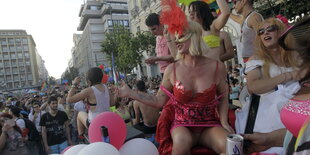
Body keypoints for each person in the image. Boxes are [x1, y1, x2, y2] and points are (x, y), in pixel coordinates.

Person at [117, 21, 234, 155]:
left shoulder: (217, 67)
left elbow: (224, 95)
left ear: (195, 36)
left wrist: (224, 121)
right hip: (182, 126)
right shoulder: (172, 70)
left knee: (230, 147)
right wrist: (130, 93)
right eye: (175, 37)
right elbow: (159, 101)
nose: (176, 41)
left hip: (209, 124)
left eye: (181, 36)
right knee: (180, 145)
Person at [243, 16, 310, 154]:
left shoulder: (297, 55)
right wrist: (287, 76)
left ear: (281, 32)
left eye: (270, 29)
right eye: (261, 31)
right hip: (268, 111)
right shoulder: (256, 59)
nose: (265, 33)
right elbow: (253, 87)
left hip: (299, 104)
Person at [66, 67, 112, 139]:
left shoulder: (89, 90)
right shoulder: (106, 88)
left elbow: (69, 99)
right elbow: (112, 103)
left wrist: (74, 84)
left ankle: (81, 136)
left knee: (80, 114)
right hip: (108, 120)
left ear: (89, 81)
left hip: (95, 123)